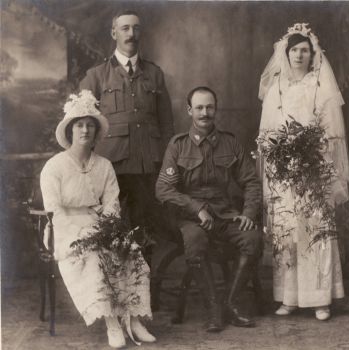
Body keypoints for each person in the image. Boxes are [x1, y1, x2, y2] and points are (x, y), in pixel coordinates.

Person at [40, 90, 155, 348]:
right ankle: (112, 322)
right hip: (65, 228)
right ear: (70, 130)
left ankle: (134, 318)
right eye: (79, 125)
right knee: (94, 257)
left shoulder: (103, 165)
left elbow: (112, 204)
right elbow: (54, 210)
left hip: (98, 224)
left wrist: (109, 230)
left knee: (131, 251)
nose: (84, 131)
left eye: (89, 126)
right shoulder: (55, 167)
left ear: (95, 132)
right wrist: (83, 234)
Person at [258, 23, 349, 321]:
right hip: (284, 174)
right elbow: (267, 135)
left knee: (315, 233)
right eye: (294, 50)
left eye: (305, 50)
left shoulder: (320, 89)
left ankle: (320, 298)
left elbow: (332, 136)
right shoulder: (275, 91)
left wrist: (311, 157)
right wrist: (281, 161)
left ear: (313, 55)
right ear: (285, 53)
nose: (299, 55)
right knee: (288, 235)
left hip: (314, 171)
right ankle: (290, 298)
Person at [156, 86, 263, 332]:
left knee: (253, 239)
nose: (205, 113)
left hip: (224, 213)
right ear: (189, 110)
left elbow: (251, 182)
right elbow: (163, 190)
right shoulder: (178, 146)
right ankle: (214, 308)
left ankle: (231, 303)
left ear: (216, 109)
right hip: (189, 218)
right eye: (200, 108)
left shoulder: (230, 143)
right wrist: (195, 208)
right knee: (195, 241)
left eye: (210, 107)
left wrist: (248, 214)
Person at [79, 9, 174, 258]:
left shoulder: (154, 74)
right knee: (113, 231)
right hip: (112, 167)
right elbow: (80, 124)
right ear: (114, 33)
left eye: (136, 28)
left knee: (146, 231)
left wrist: (166, 163)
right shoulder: (96, 76)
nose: (131, 34)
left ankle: (145, 292)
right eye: (125, 28)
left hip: (148, 166)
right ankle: (117, 292)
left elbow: (166, 124)